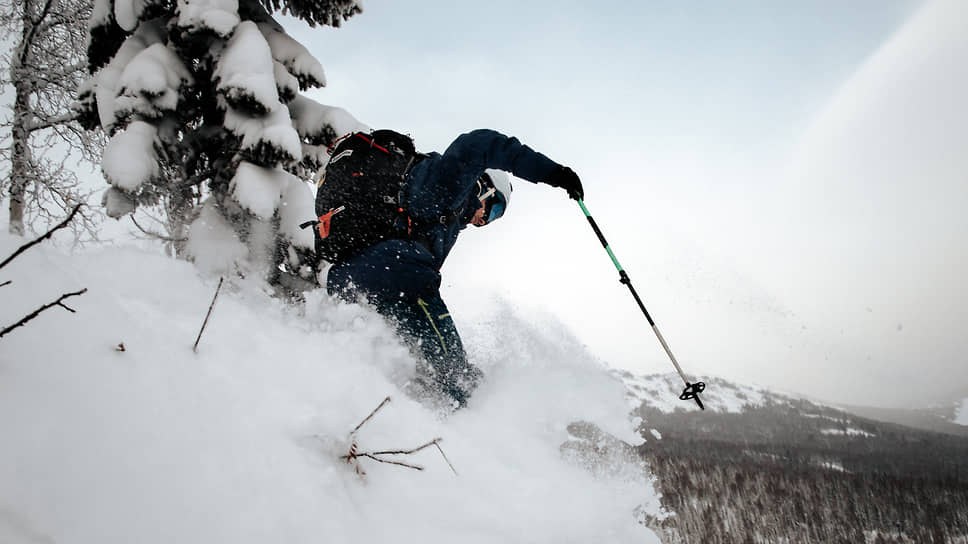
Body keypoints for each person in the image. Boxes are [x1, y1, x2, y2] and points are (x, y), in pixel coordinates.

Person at [325, 129, 583, 408]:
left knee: (417, 349)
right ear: (484, 186)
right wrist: (553, 173)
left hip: (358, 277)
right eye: (494, 209)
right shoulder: (446, 187)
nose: (484, 221)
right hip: (392, 271)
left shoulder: (443, 225)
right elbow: (479, 144)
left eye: (493, 219)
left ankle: (429, 406)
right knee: (452, 361)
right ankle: (475, 407)